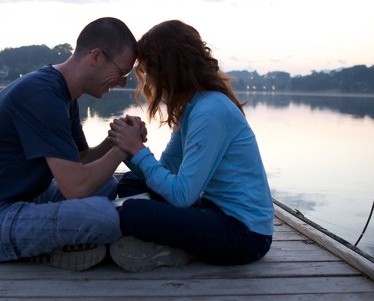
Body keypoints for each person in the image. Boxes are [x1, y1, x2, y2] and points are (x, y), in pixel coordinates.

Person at [0, 17, 137, 271]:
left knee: (105, 184)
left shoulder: (64, 95)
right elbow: (76, 187)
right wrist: (124, 148)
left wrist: (114, 140)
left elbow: (80, 159)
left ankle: (49, 240)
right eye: (122, 72)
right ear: (95, 57)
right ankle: (46, 251)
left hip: (16, 200)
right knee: (103, 218)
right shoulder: (42, 95)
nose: (122, 82)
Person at [107, 20, 274, 273]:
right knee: (131, 183)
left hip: (245, 235)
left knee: (132, 212)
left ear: (167, 67)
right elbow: (167, 171)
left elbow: (181, 196)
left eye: (148, 68)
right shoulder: (193, 108)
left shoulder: (210, 112)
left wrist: (139, 150)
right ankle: (171, 246)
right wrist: (130, 148)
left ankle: (173, 249)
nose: (148, 78)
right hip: (212, 210)